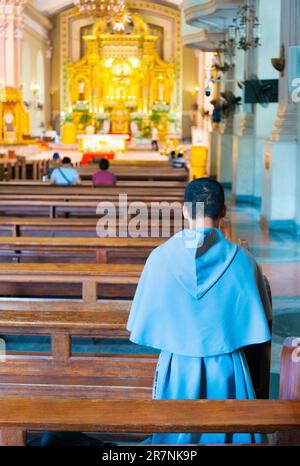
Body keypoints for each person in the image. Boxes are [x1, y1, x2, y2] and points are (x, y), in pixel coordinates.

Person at [127, 178, 272, 445]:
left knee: (174, 437)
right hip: (227, 365)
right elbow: (262, 315)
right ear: (224, 212)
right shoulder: (243, 261)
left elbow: (146, 313)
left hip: (177, 366)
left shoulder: (160, 258)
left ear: (184, 210)